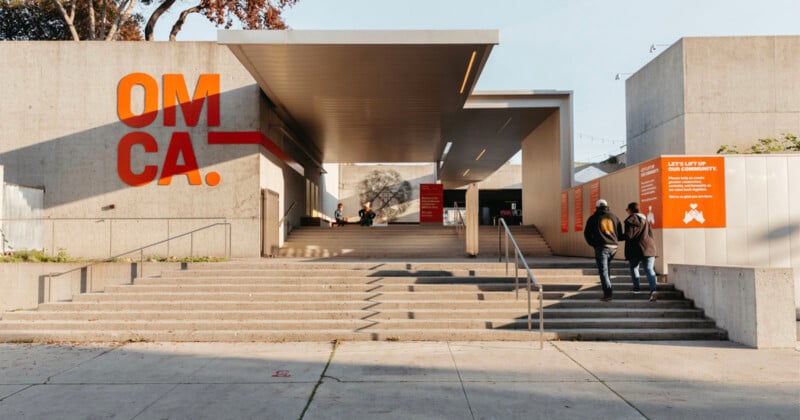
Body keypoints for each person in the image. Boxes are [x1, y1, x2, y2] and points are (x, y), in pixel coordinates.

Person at [584, 199, 623, 301]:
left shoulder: (593, 218)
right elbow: (619, 233)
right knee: (606, 269)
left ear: (596, 207)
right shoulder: (614, 217)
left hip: (601, 247)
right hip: (614, 247)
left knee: (603, 271)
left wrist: (593, 244)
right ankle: (607, 289)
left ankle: (608, 294)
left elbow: (587, 234)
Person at [623, 202, 658, 302]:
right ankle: (653, 290)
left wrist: (617, 236)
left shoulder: (630, 220)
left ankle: (637, 288)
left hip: (636, 249)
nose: (627, 212)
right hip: (649, 248)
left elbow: (629, 236)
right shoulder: (645, 220)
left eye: (627, 210)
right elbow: (650, 235)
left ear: (630, 210)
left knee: (634, 267)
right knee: (649, 270)